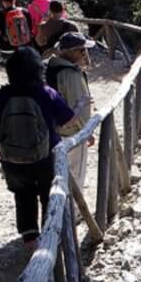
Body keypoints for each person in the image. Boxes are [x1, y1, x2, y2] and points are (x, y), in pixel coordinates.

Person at [0, 47, 77, 250]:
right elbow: (68, 120)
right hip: (46, 155)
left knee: (22, 194)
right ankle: (50, 236)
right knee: (48, 195)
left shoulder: (3, 94)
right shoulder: (46, 93)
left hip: (12, 158)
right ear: (37, 70)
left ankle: (30, 238)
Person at [45, 32, 96, 188]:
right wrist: (87, 131)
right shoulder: (70, 74)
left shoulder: (50, 68)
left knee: (58, 176)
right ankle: (74, 211)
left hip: (52, 133)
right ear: (69, 52)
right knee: (75, 176)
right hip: (71, 134)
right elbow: (77, 108)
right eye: (81, 50)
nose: (84, 53)